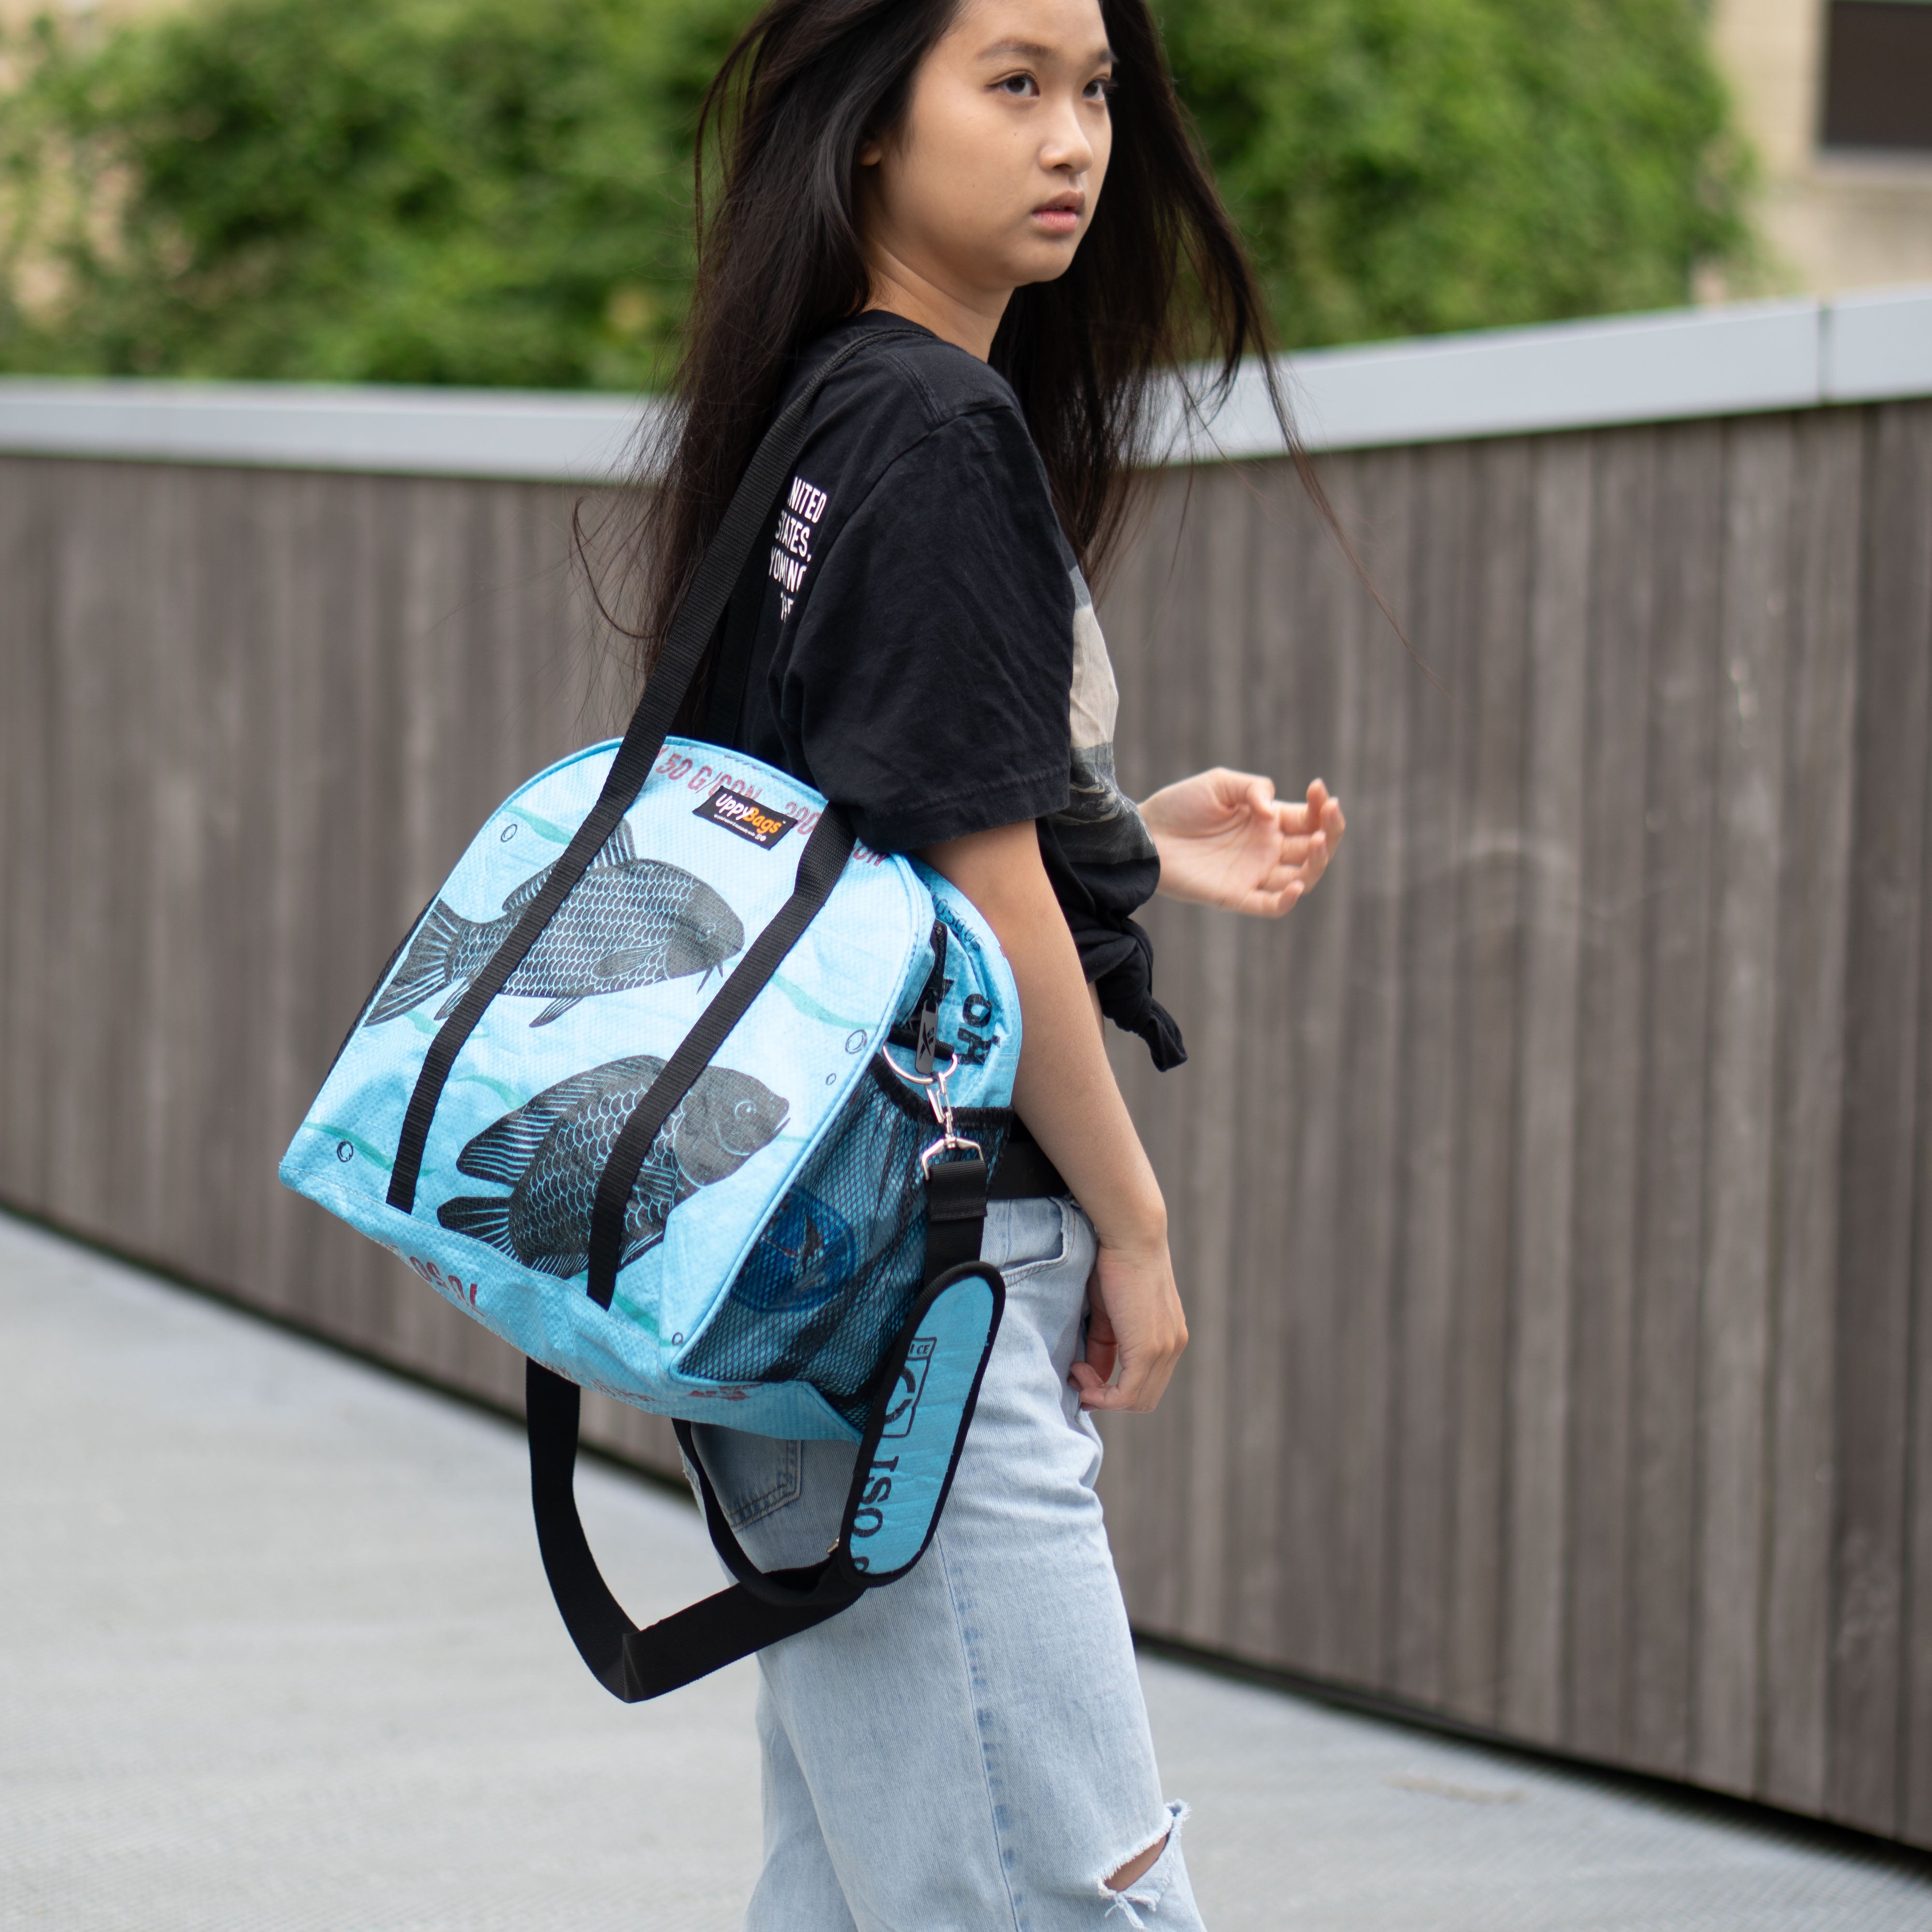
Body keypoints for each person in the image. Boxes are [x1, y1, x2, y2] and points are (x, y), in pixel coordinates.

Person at [631, 0, 1346, 1922]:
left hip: (806, 1284)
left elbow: (885, 801)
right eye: (1013, 82)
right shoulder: (935, 425)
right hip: (923, 1293)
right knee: (1066, 1893)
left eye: (1096, 89)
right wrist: (1135, 1220)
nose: (1074, 140)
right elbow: (966, 870)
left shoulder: (821, 404)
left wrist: (1117, 828)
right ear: (873, 125)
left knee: (865, 1890)